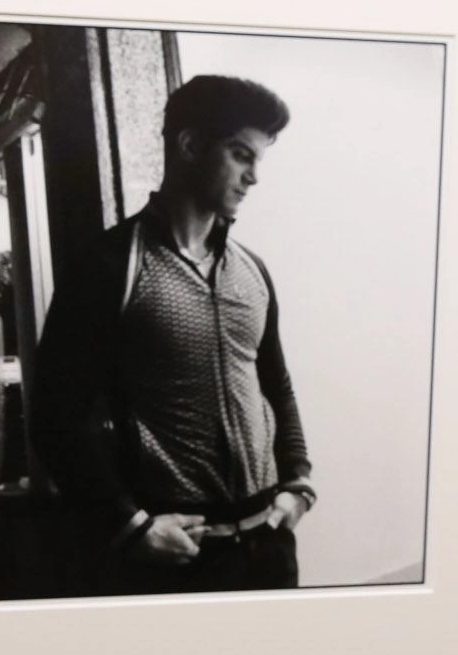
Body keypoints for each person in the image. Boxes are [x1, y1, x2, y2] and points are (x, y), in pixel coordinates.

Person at [32, 74, 314, 594]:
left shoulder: (253, 272)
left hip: (269, 546)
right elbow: (54, 414)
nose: (253, 177)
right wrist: (128, 524)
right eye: (239, 154)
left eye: (257, 159)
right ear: (189, 145)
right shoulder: (109, 265)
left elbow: (277, 385)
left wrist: (297, 484)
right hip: (180, 557)